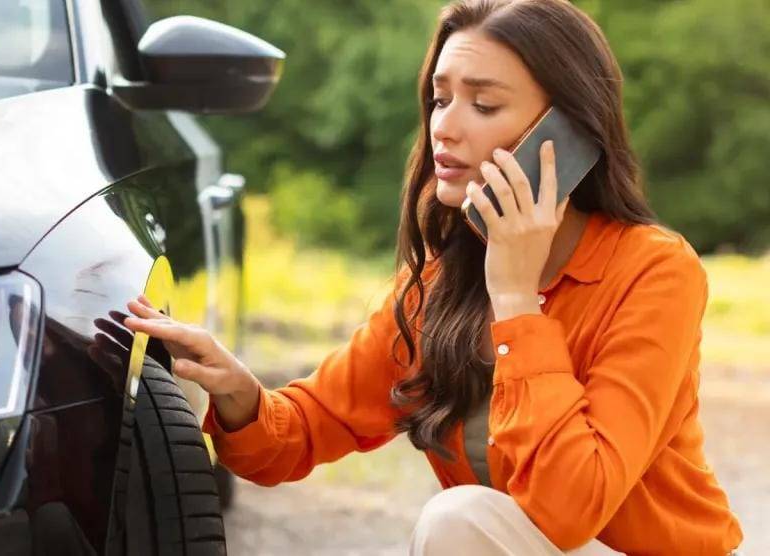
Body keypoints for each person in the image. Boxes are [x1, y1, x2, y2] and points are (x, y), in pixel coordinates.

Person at [122, 0, 744, 553]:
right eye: (440, 99)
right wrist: (238, 394)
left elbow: (571, 507)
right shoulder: (442, 282)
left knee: (458, 519)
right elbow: (300, 432)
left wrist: (517, 301)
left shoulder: (654, 271)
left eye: (484, 103)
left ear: (568, 135)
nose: (444, 126)